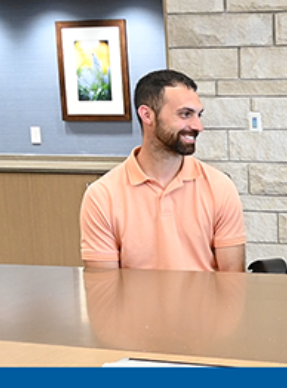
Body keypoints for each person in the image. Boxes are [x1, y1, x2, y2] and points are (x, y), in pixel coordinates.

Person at [80, 69, 246, 272]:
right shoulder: (102, 196)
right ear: (147, 115)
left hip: (205, 304)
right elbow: (105, 289)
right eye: (185, 114)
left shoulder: (220, 187)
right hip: (136, 305)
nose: (198, 126)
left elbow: (232, 283)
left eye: (198, 115)